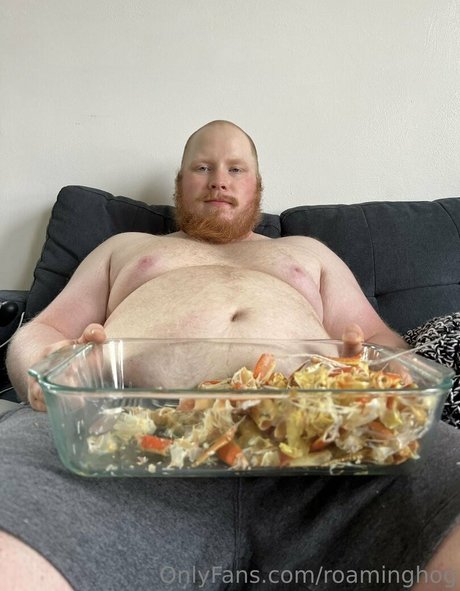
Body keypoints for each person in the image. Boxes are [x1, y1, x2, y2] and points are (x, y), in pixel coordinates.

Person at [0, 120, 459, 591]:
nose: (219, 180)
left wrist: (387, 374)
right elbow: (44, 331)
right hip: (117, 445)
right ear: (180, 183)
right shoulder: (125, 248)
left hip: (330, 452)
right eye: (202, 167)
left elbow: (379, 339)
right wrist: (45, 368)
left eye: (236, 169)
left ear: (257, 185)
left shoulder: (307, 252)